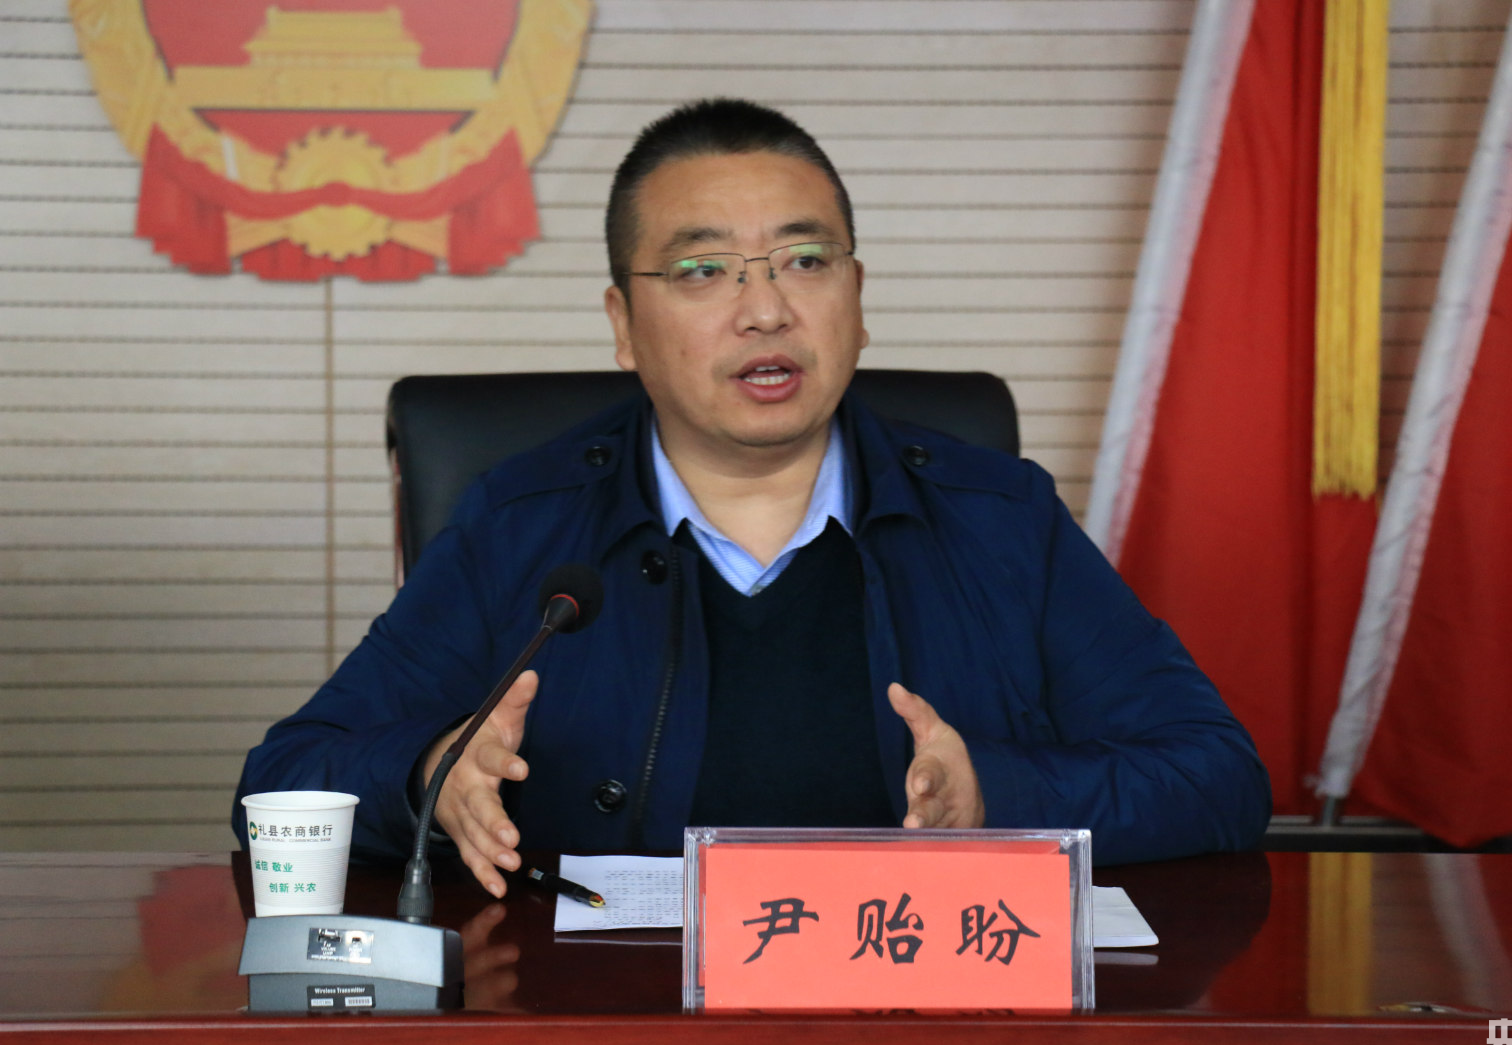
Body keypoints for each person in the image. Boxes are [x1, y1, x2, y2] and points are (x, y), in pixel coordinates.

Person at [235, 98, 1270, 898]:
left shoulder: (998, 517)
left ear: (857, 298)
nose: (766, 309)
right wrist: (428, 775)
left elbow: (1217, 776)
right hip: (610, 1025)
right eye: (703, 271)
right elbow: (278, 785)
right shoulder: (522, 524)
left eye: (805, 261)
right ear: (623, 324)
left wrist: (996, 795)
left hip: (925, 1014)